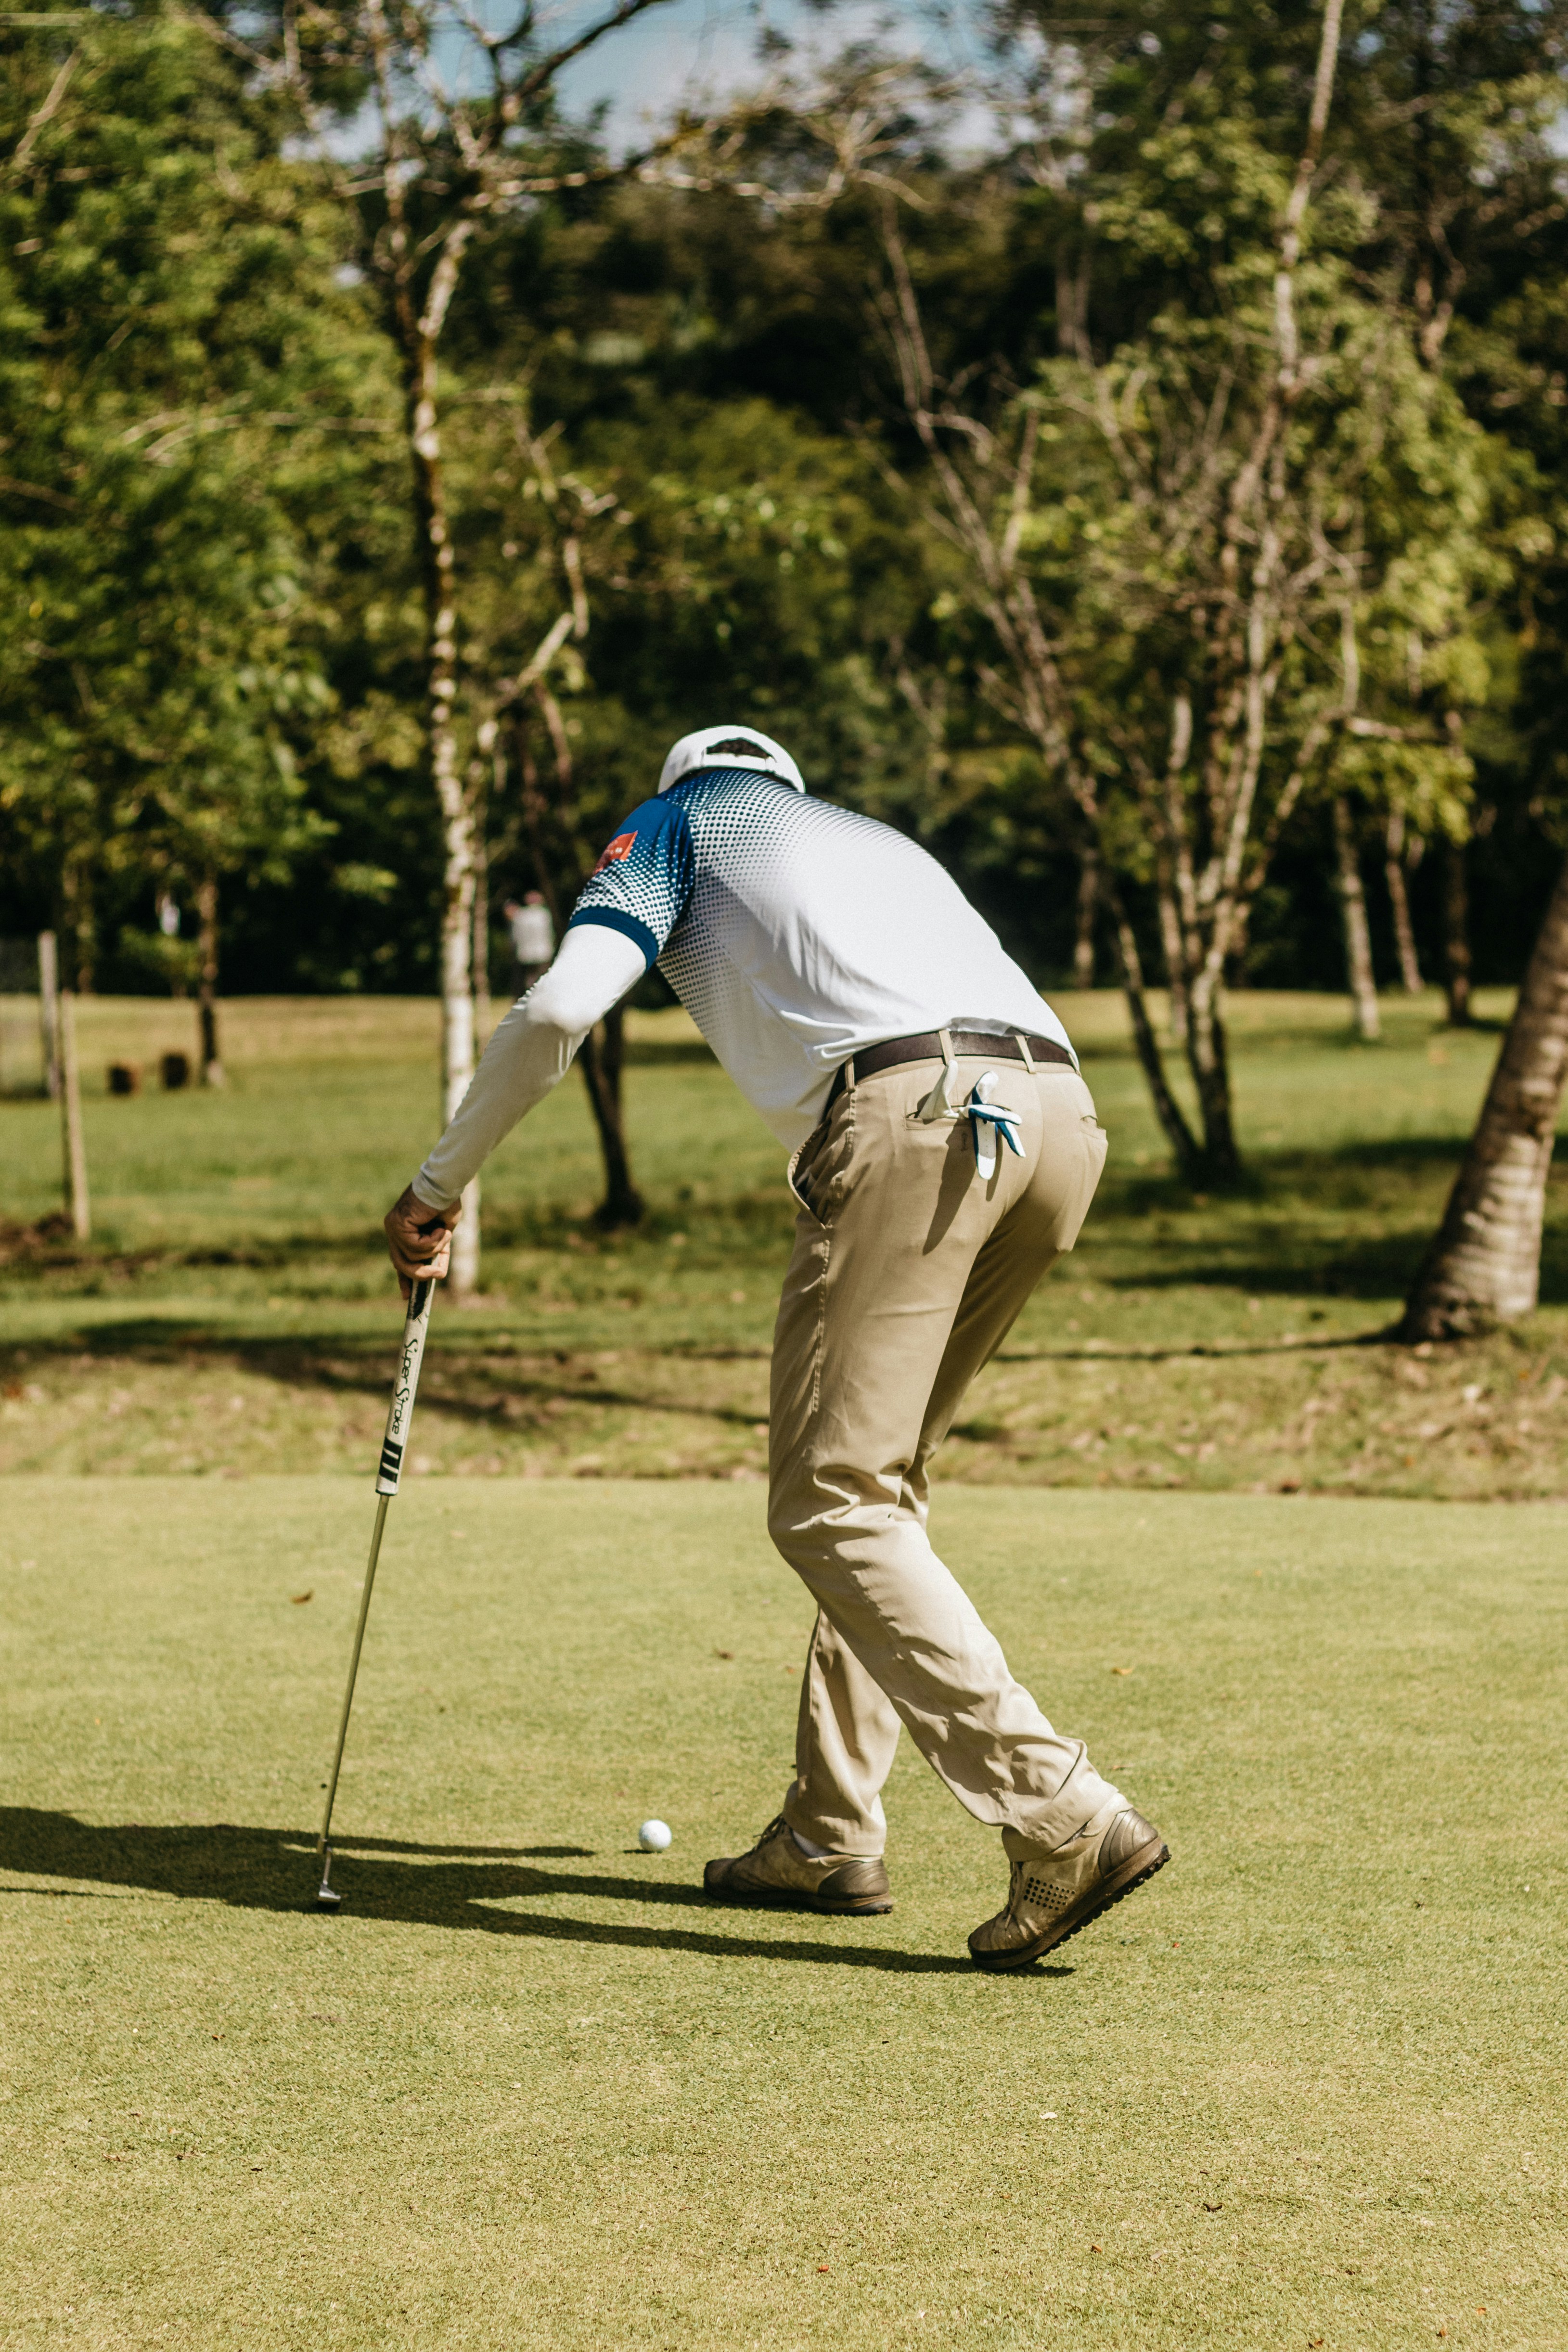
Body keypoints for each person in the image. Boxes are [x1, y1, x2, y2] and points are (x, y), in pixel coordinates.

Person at [385, 724, 1168, 1971]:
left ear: (684, 776)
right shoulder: (871, 840)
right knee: (880, 1489)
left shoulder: (677, 823)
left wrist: (437, 1184)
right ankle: (827, 1829)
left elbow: (556, 1005)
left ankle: (1061, 1811)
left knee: (829, 1499)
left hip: (916, 1114)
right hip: (1061, 1119)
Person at [503, 892, 555, 994]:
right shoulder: (544, 915)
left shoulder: (521, 916)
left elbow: (516, 936)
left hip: (525, 954)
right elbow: (550, 933)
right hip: (543, 952)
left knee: (529, 980)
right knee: (543, 979)